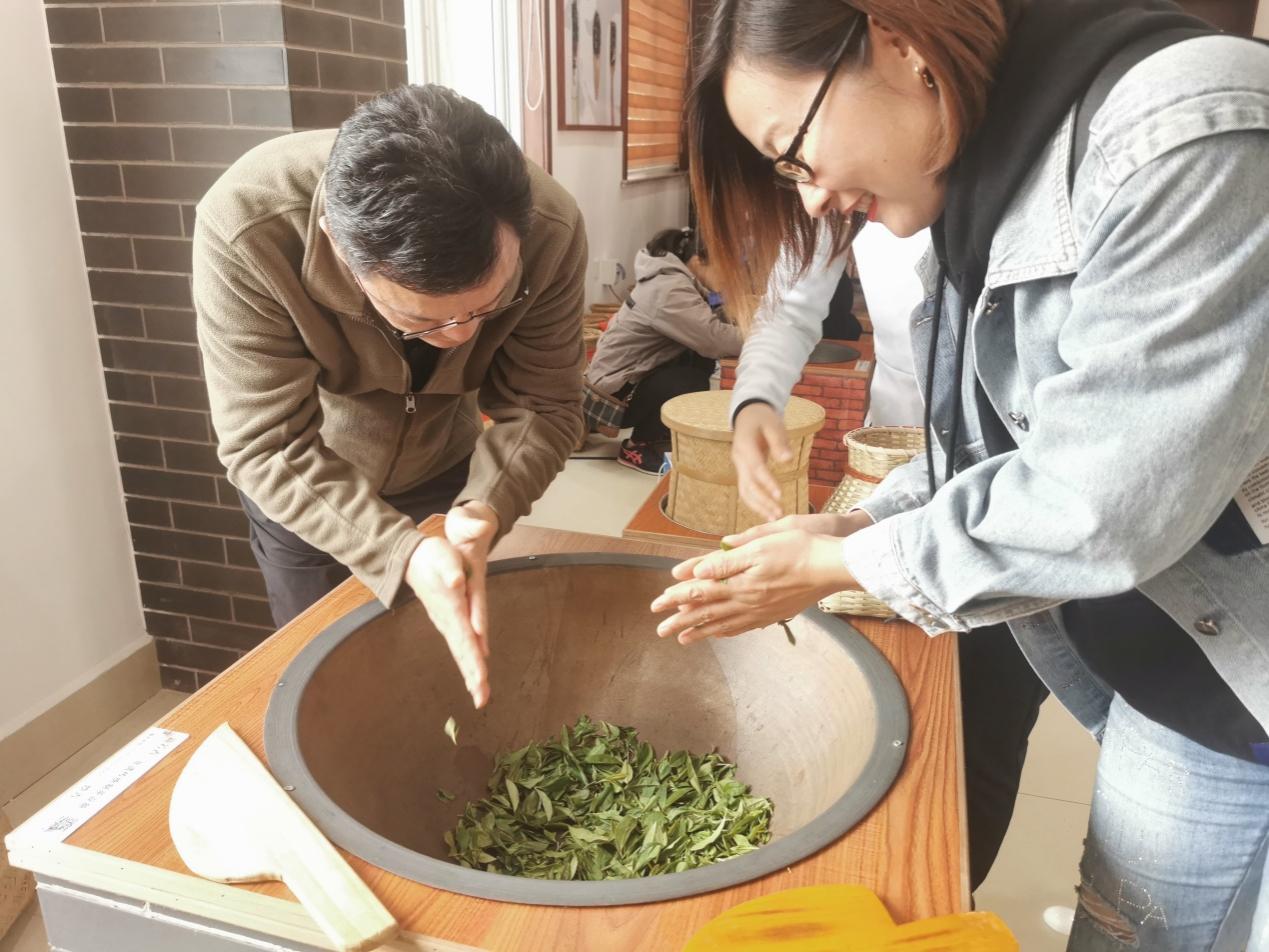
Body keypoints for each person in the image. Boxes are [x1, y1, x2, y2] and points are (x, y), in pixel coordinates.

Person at [651, 2, 1269, 949]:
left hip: (1228, 664)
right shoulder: (982, 177)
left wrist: (841, 566)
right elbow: (1001, 439)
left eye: (795, 155)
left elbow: (1100, 498)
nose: (810, 200)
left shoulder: (1180, 133)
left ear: (897, 45)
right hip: (1150, 635)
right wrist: (859, 527)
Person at [194, 85, 588, 711]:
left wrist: (485, 507)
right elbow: (264, 444)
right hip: (308, 484)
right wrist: (398, 550)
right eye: (422, 319)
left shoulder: (551, 225)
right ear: (337, 244)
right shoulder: (249, 224)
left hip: (447, 466)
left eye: (487, 307)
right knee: (329, 690)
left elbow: (546, 403)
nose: (460, 338)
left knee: (439, 677)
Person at [583, 227, 742, 474]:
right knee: (690, 378)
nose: (730, 276)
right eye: (726, 267)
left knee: (698, 359)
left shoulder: (675, 278)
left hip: (625, 381)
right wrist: (765, 337)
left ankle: (661, 434)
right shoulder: (669, 288)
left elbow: (709, 319)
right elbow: (714, 340)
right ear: (698, 261)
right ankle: (638, 447)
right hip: (609, 398)